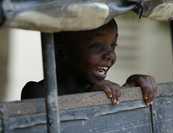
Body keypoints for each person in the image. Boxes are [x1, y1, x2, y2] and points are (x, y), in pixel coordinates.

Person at [21, 19, 158, 105]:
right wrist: (89, 97)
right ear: (62, 51)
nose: (110, 55)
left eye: (113, 45)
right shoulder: (37, 92)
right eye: (97, 46)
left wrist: (132, 85)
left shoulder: (101, 89)